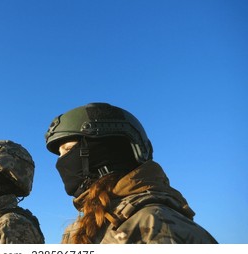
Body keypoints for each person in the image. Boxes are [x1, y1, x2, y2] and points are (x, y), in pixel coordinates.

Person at [44, 102, 217, 244]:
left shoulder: (156, 226)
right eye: (60, 154)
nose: (62, 162)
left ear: (106, 151)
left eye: (68, 150)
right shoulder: (78, 229)